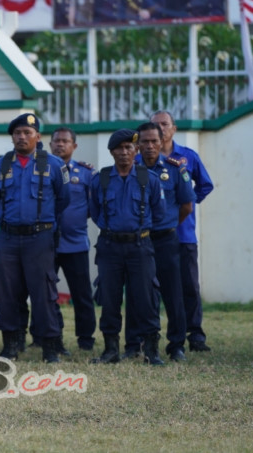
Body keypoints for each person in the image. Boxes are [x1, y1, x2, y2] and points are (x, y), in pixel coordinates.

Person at [0, 113, 69, 363]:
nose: (22, 137)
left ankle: (50, 346)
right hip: (8, 239)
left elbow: (63, 200)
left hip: (40, 238)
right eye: (17, 133)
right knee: (7, 292)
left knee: (43, 293)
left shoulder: (54, 165)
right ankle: (11, 344)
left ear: (37, 136)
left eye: (27, 133)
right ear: (12, 136)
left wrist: (43, 224)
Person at [89, 129, 165, 366]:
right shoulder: (99, 179)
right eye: (119, 148)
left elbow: (160, 212)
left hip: (140, 246)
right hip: (110, 246)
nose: (124, 152)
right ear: (111, 152)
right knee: (110, 299)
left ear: (137, 150)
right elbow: (95, 212)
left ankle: (151, 350)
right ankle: (111, 350)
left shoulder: (149, 179)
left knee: (145, 298)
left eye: (129, 148)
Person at [127, 122, 195, 362]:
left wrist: (168, 223)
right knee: (138, 293)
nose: (149, 146)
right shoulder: (129, 169)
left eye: (154, 141)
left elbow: (187, 205)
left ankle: (176, 345)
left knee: (173, 293)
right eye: (144, 141)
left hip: (166, 239)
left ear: (162, 141)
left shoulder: (175, 169)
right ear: (137, 145)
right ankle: (134, 343)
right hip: (138, 241)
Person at [151, 110, 214, 351]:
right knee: (153, 286)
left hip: (183, 233)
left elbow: (206, 185)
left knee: (189, 286)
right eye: (156, 125)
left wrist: (185, 202)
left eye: (165, 124)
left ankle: (195, 335)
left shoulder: (188, 156)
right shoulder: (142, 159)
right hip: (154, 235)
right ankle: (152, 334)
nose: (161, 128)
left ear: (174, 128)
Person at [49, 127, 96, 351]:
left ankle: (86, 339)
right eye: (56, 141)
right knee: (46, 293)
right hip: (46, 243)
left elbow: (92, 208)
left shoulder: (86, 174)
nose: (60, 144)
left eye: (65, 141)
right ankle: (50, 336)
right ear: (50, 145)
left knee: (82, 293)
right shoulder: (42, 171)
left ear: (74, 146)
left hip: (75, 242)